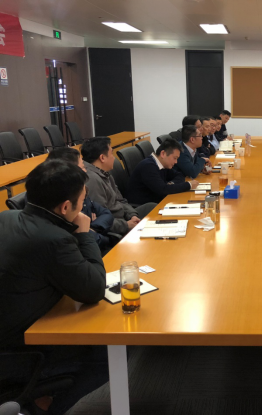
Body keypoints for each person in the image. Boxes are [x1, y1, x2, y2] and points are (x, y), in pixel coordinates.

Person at [0, 159, 108, 414]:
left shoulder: (6, 217)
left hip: (8, 328)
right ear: (66, 206)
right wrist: (84, 233)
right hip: (20, 350)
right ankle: (46, 408)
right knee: (107, 353)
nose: (84, 205)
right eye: (82, 200)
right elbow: (94, 289)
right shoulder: (54, 239)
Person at [81, 137, 156, 235]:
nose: (114, 158)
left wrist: (132, 215)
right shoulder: (92, 180)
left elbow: (121, 200)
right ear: (102, 158)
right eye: (111, 153)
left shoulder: (104, 172)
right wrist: (126, 225)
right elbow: (101, 219)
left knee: (152, 207)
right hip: (116, 227)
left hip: (123, 217)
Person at [47, 147, 114, 251]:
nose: (86, 171)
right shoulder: (61, 200)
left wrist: (91, 227)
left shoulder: (80, 189)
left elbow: (106, 213)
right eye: (82, 167)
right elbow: (91, 239)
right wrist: (88, 231)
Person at [127, 138, 198, 205]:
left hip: (156, 201)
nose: (176, 162)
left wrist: (171, 184)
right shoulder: (148, 166)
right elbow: (163, 190)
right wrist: (189, 185)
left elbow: (180, 175)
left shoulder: (163, 164)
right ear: (163, 154)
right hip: (144, 207)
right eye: (175, 158)